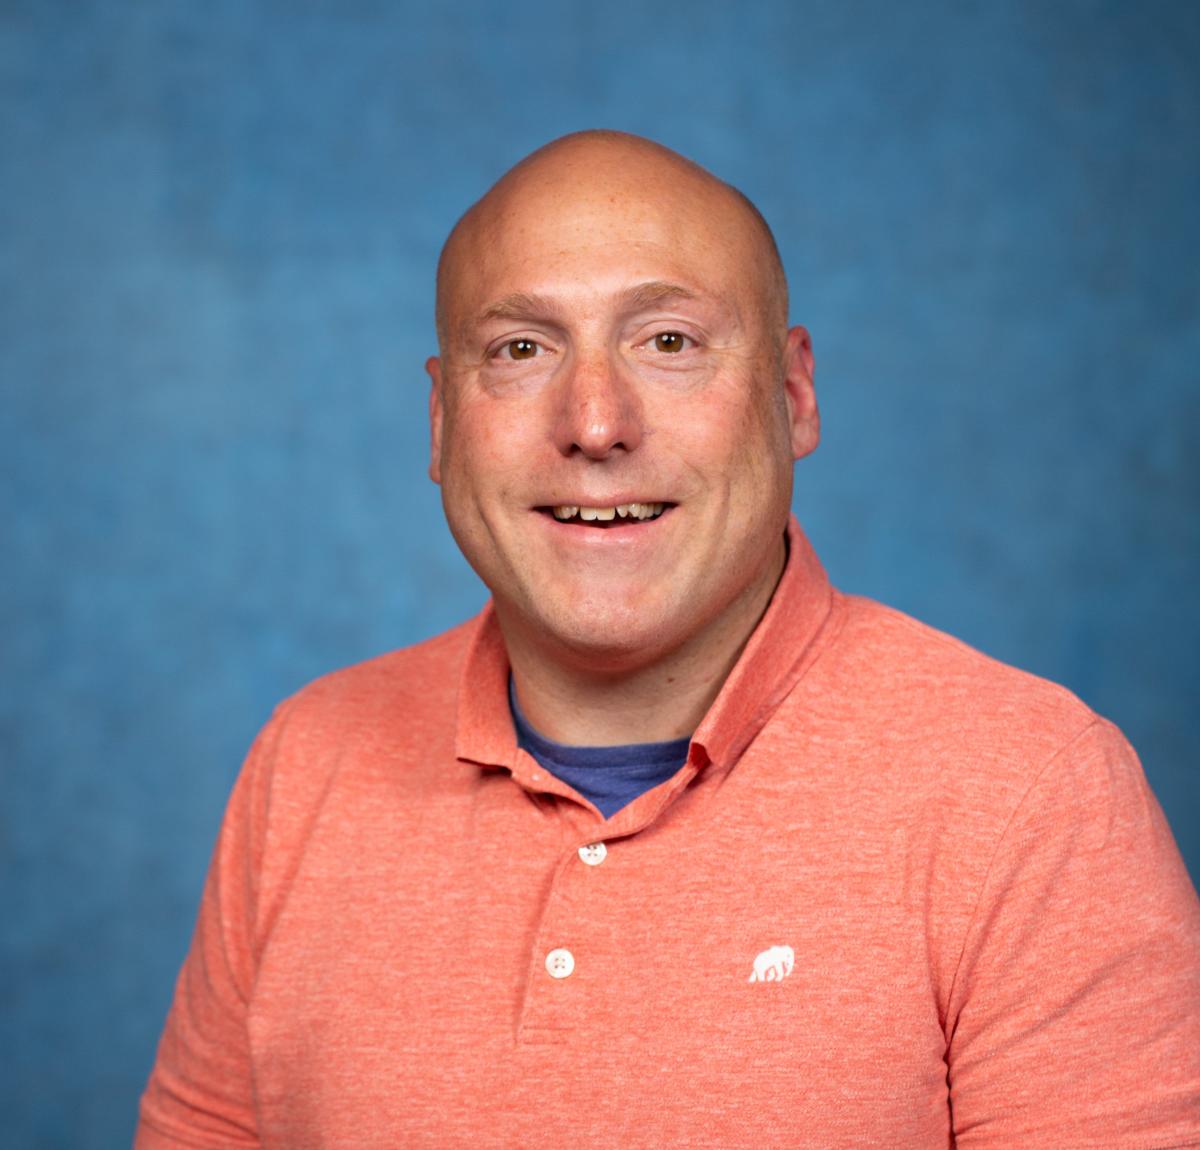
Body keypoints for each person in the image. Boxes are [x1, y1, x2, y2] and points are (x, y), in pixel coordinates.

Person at [136, 131, 1200, 1148]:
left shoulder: (1033, 793)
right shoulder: (305, 762)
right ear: (439, 422)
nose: (595, 422)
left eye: (670, 343)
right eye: (520, 348)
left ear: (793, 396)